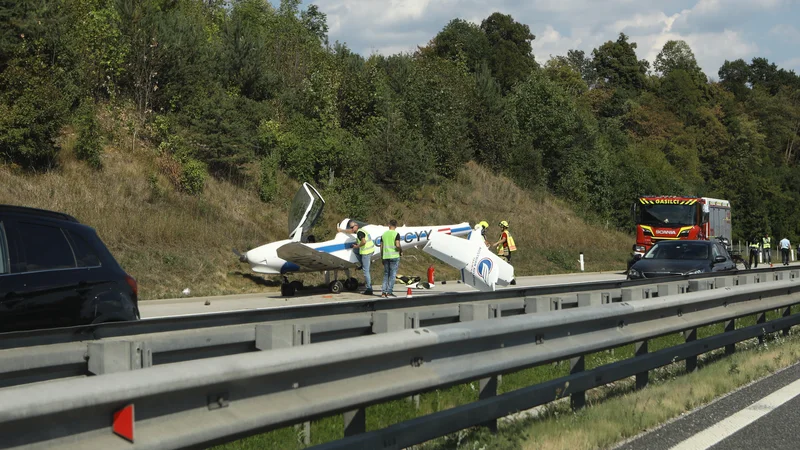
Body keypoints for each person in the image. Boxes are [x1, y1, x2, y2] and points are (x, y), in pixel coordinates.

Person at [380, 219, 403, 297]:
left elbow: (381, 247)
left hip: (385, 256)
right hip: (394, 256)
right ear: (396, 226)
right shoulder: (396, 234)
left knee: (386, 274)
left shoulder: (384, 234)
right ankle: (389, 291)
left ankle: (383, 292)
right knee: (392, 275)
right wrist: (401, 251)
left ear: (389, 225)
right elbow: (397, 245)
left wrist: (382, 257)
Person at [352, 225, 375, 295]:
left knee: (366, 271)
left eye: (352, 227)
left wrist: (357, 246)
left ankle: (369, 289)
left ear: (356, 226)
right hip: (370, 250)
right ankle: (362, 264)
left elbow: (364, 241)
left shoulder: (359, 233)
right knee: (355, 250)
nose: (351, 229)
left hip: (366, 253)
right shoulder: (362, 230)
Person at [492, 220, 517, 285]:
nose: (500, 228)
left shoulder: (504, 233)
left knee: (500, 265)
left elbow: (504, 240)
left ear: (504, 227)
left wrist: (496, 243)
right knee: (507, 265)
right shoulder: (508, 233)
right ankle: (512, 280)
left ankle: (500, 280)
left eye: (501, 227)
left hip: (504, 252)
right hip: (507, 251)